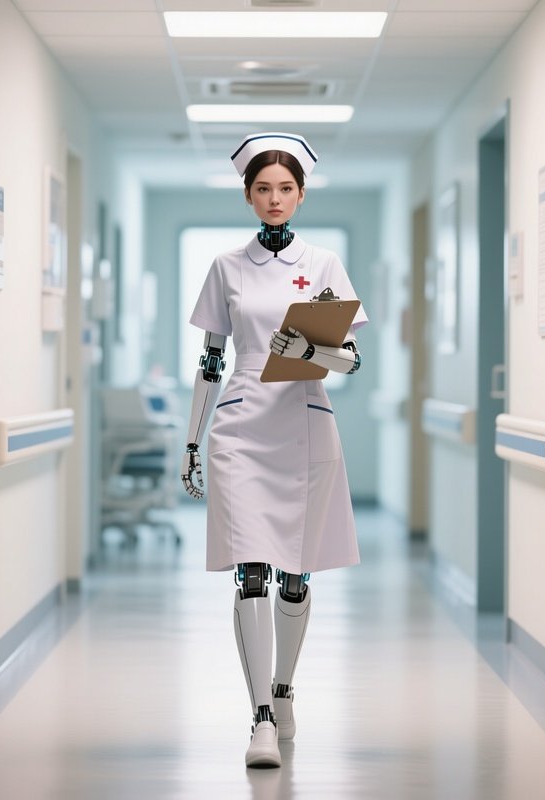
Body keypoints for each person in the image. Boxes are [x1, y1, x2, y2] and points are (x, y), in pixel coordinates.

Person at [181, 132, 368, 768]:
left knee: (296, 573)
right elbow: (209, 362)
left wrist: (311, 351)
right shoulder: (226, 268)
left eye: (285, 189)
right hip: (239, 428)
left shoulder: (325, 265)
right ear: (247, 196)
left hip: (307, 422)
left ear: (302, 194)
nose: (274, 199)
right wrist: (192, 442)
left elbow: (353, 359)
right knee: (251, 571)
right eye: (263, 189)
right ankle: (260, 714)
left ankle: (285, 688)